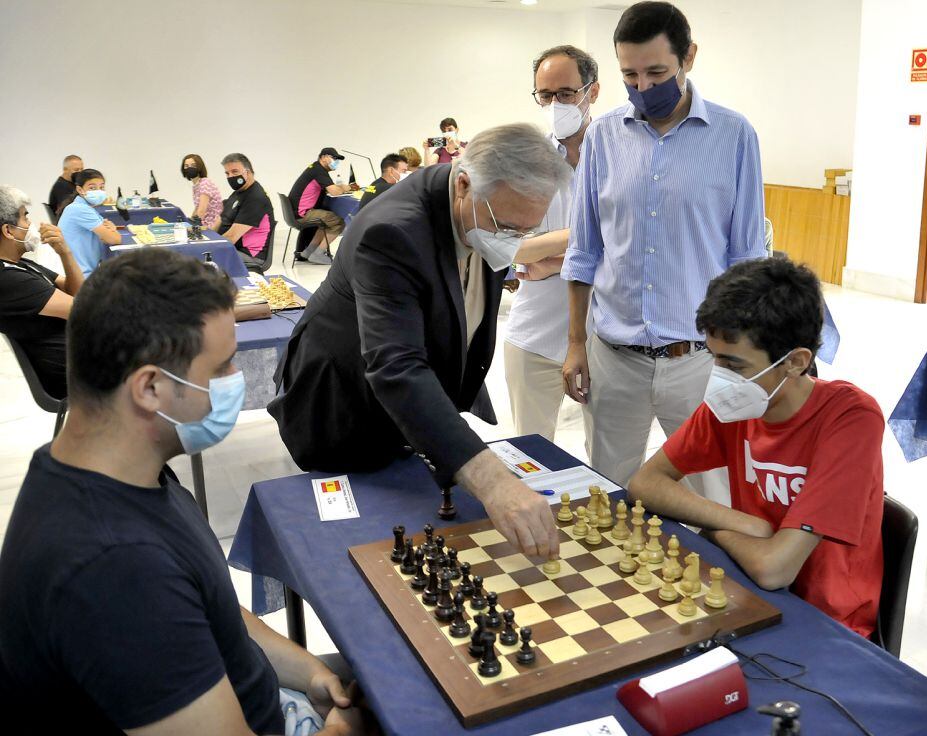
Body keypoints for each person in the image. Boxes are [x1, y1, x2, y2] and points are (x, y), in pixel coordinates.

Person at [0, 248, 363, 736]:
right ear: (150, 388)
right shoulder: (114, 567)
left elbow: (212, 611)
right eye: (222, 367)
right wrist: (345, 729)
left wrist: (312, 673)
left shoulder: (124, 467)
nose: (236, 382)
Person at [269, 124, 572, 559]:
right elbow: (396, 367)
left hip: (414, 414)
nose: (511, 239)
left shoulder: (477, 212)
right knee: (371, 556)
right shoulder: (391, 232)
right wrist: (492, 480)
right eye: (506, 226)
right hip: (347, 409)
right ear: (464, 184)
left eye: (524, 230)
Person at [561, 1, 766, 490]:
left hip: (699, 358)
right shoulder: (604, 137)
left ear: (688, 56)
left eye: (657, 72)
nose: (644, 88)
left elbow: (747, 258)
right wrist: (574, 344)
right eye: (630, 75)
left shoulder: (734, 136)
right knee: (606, 495)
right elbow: (585, 249)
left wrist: (747, 357)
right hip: (615, 358)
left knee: (712, 494)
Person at [628, 258, 884, 636]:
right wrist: (743, 523)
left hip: (826, 620)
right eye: (713, 358)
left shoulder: (851, 418)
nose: (719, 377)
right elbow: (645, 484)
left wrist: (715, 532)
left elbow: (774, 569)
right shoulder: (737, 402)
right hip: (744, 589)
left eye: (733, 364)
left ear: (796, 362)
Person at [504, 45, 601, 441]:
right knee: (531, 461)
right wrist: (590, 238)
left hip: (607, 339)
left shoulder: (620, 152)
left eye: (566, 93)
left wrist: (556, 259)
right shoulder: (525, 161)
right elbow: (507, 246)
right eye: (545, 96)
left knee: (610, 467)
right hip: (535, 335)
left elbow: (636, 242)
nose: (555, 104)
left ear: (592, 91)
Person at [0, 185, 84, 399]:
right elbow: (86, 309)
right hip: (77, 373)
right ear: (8, 231)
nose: (31, 225)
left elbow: (77, 293)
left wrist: (65, 252)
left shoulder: (20, 264)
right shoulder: (9, 279)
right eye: (25, 218)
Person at [286, 148, 352, 265]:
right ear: (323, 157)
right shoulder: (319, 171)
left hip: (296, 211)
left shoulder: (315, 168)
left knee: (327, 220)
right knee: (338, 222)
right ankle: (318, 253)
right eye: (334, 158)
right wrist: (344, 187)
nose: (336, 162)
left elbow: (330, 189)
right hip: (303, 213)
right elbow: (334, 191)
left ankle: (309, 251)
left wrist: (339, 187)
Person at [214, 153, 276, 272]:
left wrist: (207, 247)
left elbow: (231, 238)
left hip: (249, 257)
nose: (230, 176)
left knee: (200, 261)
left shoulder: (255, 198)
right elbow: (221, 218)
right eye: (227, 173)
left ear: (248, 172)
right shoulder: (239, 192)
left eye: (235, 172)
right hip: (234, 249)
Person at [57, 168, 122, 276]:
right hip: (82, 275)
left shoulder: (83, 207)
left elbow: (105, 236)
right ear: (80, 189)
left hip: (84, 269)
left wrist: (110, 230)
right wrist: (112, 231)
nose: (98, 191)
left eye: (101, 187)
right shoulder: (80, 209)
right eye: (92, 188)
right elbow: (114, 239)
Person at [181, 153, 223, 229]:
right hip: (204, 222)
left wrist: (190, 227)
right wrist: (188, 222)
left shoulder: (205, 183)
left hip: (212, 225)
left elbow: (201, 211)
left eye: (193, 165)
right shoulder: (196, 185)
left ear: (199, 167)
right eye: (186, 166)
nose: (189, 168)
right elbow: (197, 208)